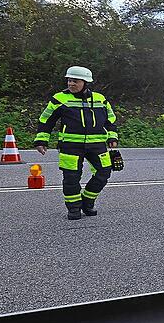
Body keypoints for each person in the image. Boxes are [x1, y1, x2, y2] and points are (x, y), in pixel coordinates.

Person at [33, 66, 118, 220]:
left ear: (85, 83)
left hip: (97, 145)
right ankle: (74, 208)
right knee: (71, 178)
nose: (71, 84)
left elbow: (110, 120)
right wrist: (41, 139)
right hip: (70, 145)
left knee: (104, 173)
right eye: (69, 80)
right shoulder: (60, 98)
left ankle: (87, 201)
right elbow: (46, 120)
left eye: (75, 81)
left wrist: (112, 137)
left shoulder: (100, 99)